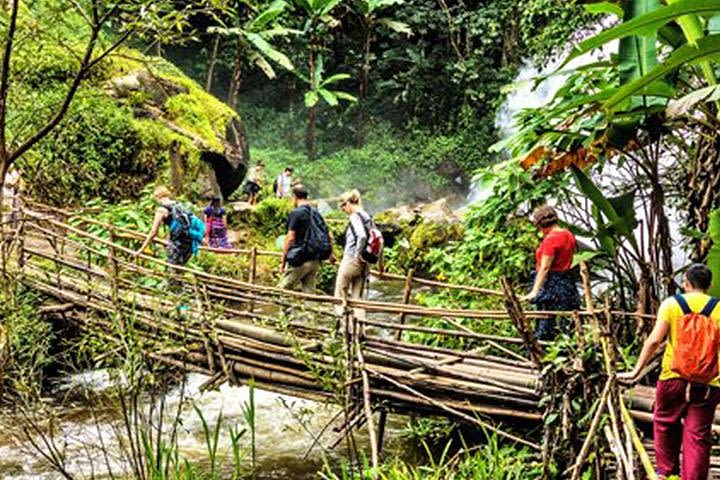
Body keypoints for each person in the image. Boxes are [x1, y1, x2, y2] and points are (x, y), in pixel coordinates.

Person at [619, 264, 720, 480]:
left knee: (665, 422)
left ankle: (666, 472)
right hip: (709, 383)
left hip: (673, 378)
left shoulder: (672, 304)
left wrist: (635, 371)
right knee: (698, 435)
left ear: (686, 283)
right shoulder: (719, 308)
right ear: (709, 285)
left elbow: (655, 339)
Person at [520, 205, 580, 340]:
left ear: (540, 225)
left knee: (547, 325)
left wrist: (535, 291)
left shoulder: (550, 240)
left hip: (552, 286)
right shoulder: (568, 234)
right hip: (567, 282)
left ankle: (544, 357)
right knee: (565, 323)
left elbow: (545, 268)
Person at [135, 187, 195, 285]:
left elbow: (153, 232)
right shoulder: (179, 205)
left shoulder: (162, 210)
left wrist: (141, 249)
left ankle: (174, 295)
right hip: (189, 243)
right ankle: (180, 294)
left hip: (176, 245)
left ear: (157, 197)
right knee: (179, 271)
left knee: (171, 273)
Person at [279, 185, 333, 292]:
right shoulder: (316, 213)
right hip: (315, 260)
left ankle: (285, 309)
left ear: (294, 197)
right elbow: (329, 235)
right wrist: (331, 254)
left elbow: (290, 238)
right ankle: (309, 309)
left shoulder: (296, 213)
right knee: (309, 293)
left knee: (282, 290)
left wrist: (283, 261)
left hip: (300, 259)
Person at [335, 190, 370, 319]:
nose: (343, 210)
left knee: (340, 295)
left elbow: (361, 236)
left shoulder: (355, 216)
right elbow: (379, 239)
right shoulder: (367, 216)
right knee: (357, 299)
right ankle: (360, 331)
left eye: (343, 207)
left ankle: (342, 329)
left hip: (351, 260)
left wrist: (357, 254)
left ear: (348, 203)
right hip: (364, 264)